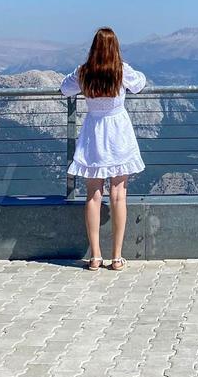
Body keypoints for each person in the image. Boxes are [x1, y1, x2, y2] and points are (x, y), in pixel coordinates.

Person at [60, 27, 147, 270]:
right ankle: (117, 257)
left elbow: (65, 87)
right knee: (119, 195)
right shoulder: (121, 70)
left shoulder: (84, 71)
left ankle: (95, 256)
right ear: (115, 48)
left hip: (93, 133)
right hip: (118, 131)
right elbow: (139, 84)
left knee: (93, 195)